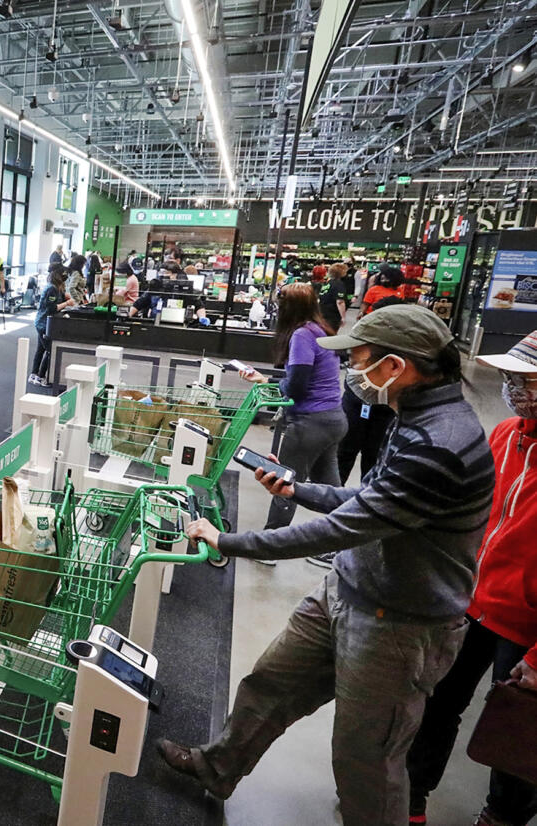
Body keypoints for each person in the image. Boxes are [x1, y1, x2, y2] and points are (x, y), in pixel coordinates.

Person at [164, 305, 496, 826]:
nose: (353, 372)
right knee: (270, 684)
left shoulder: (442, 443)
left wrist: (229, 540)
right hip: (348, 589)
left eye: (359, 359)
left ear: (394, 366)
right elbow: (369, 499)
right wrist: (301, 489)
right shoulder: (416, 419)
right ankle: (216, 767)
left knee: (366, 759)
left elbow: (343, 528)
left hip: (399, 626)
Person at [407, 330, 537, 826]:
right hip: (471, 601)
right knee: (438, 703)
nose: (513, 389)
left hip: (527, 626)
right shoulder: (506, 435)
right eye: (510, 378)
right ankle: (412, 796)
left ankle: (502, 816)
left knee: (517, 726)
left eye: (526, 380)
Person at [238, 283, 346, 552]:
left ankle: (270, 546)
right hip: (333, 419)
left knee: (283, 482)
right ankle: (343, 546)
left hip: (310, 424)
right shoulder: (321, 330)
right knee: (332, 490)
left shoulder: (302, 335)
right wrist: (265, 381)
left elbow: (297, 386)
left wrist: (277, 386)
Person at [29, 264, 75, 387]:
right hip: (44, 324)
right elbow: (51, 308)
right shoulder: (52, 289)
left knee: (41, 349)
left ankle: (34, 374)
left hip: (43, 322)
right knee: (50, 351)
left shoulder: (56, 288)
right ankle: (41, 376)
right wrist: (66, 303)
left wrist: (65, 297)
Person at [316, 262, 351, 331]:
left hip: (322, 313)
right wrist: (343, 317)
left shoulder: (327, 284)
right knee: (330, 333)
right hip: (332, 315)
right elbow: (340, 301)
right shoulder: (338, 284)